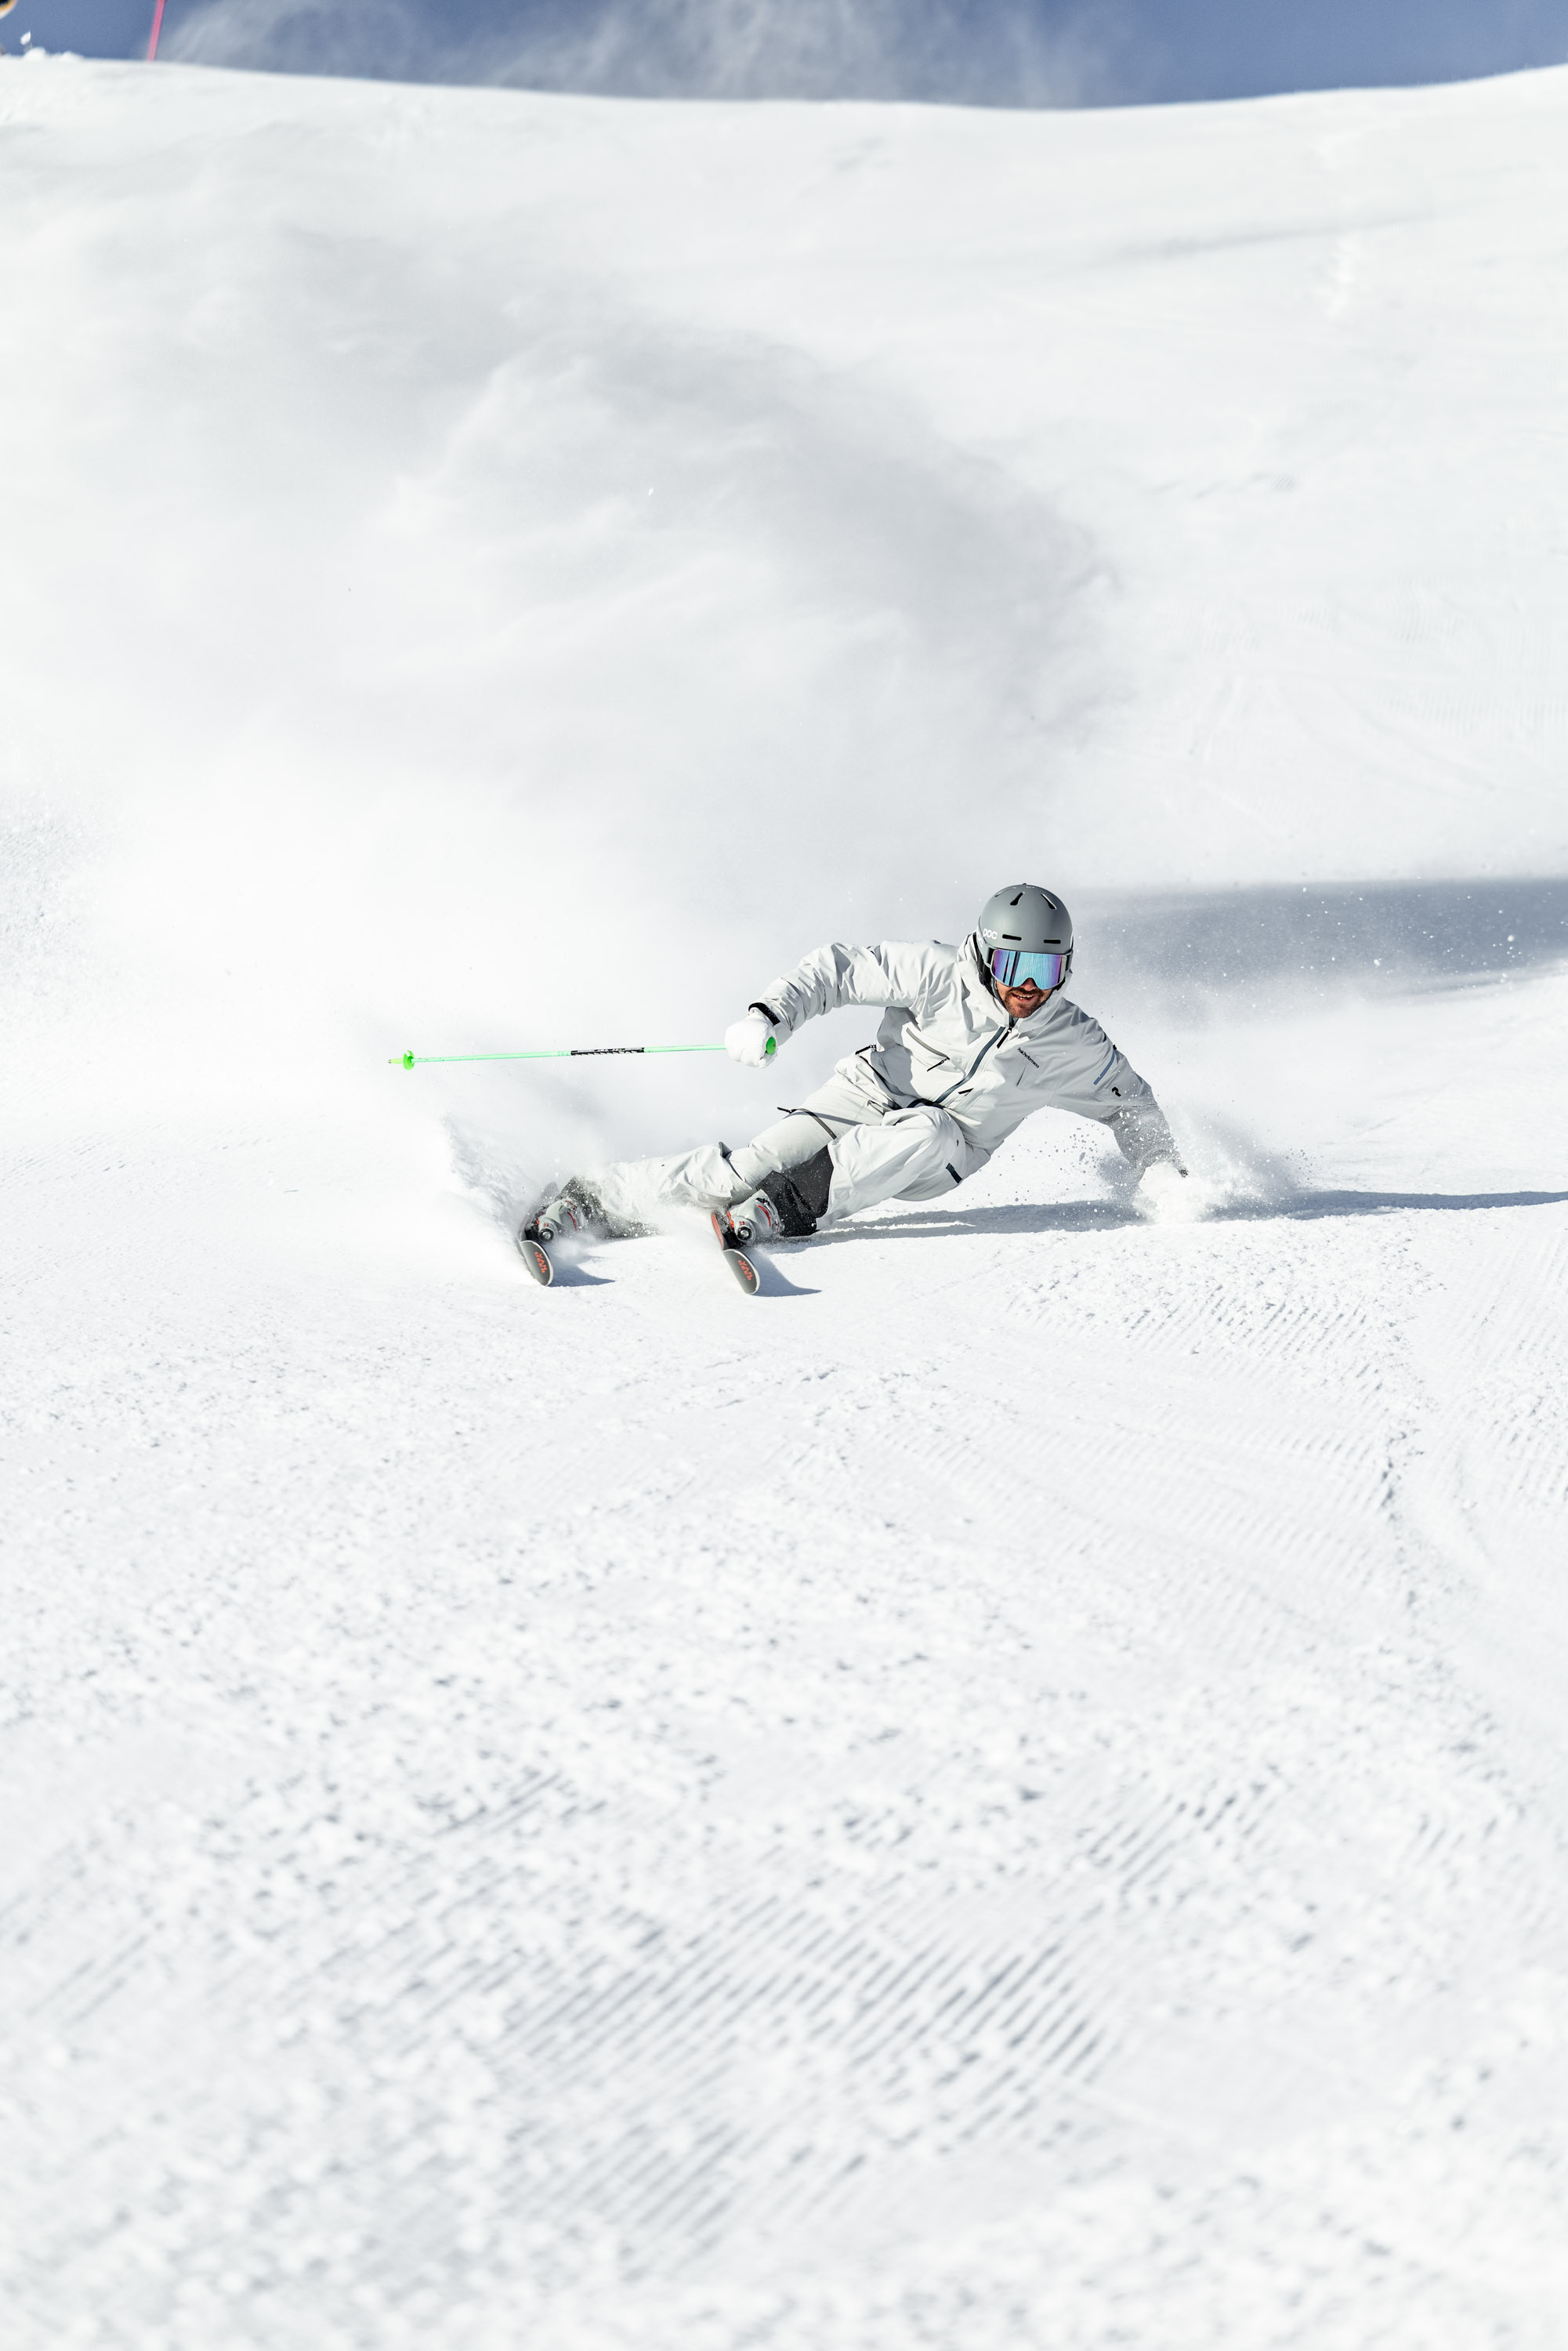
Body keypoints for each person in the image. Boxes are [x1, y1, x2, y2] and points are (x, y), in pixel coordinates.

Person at [523, 884, 1184, 1259]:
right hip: (865, 1094)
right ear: (986, 956)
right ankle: (594, 1199)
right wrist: (769, 1016)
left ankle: (782, 1209)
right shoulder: (935, 972)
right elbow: (838, 970)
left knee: (926, 1130)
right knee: (744, 1170)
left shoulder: (1071, 1041)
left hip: (943, 1151)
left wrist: (1160, 1170)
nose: (1029, 988)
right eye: (1016, 967)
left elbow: (1131, 1105)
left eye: (1047, 969)